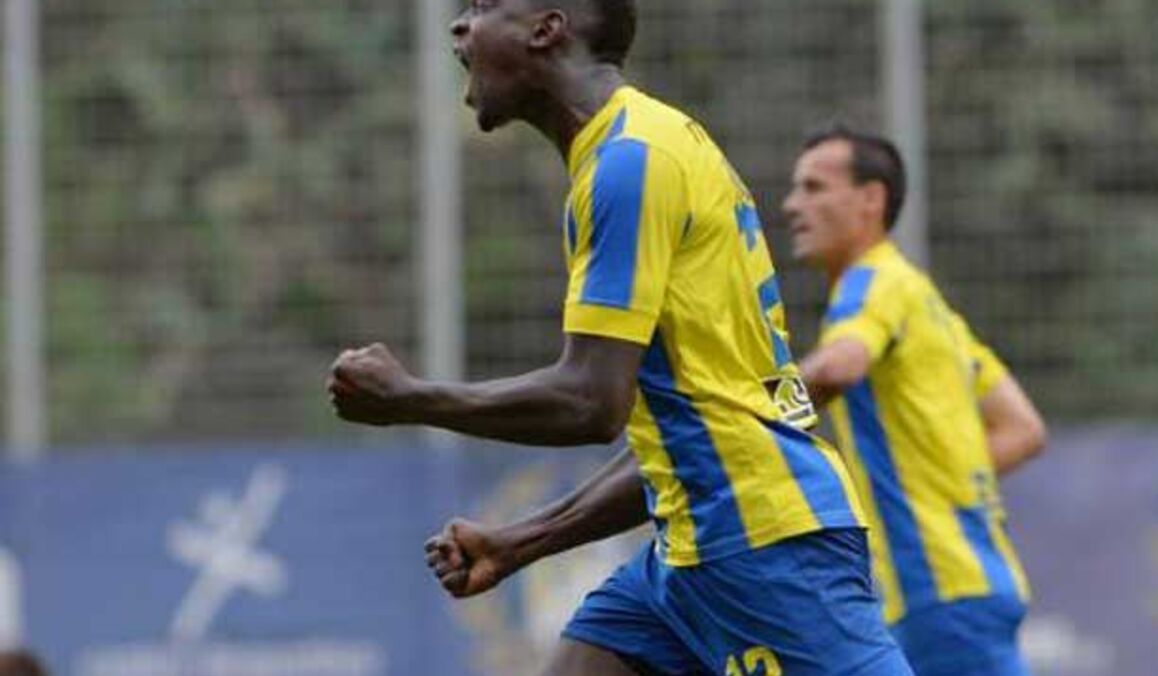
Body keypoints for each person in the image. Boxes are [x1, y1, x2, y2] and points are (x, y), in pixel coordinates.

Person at [328, 1, 912, 674]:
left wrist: (411, 398)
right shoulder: (643, 143)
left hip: (762, 543)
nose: (460, 25)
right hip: (691, 546)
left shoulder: (629, 163)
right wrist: (521, 541)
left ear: (546, 29)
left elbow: (590, 401)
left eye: (483, 5)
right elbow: (686, 431)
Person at [779, 126, 1047, 676]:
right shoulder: (929, 306)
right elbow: (1022, 428)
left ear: (870, 199)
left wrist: (740, 413)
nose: (791, 205)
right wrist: (934, 482)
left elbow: (838, 366)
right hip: (973, 577)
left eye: (813, 187)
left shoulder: (871, 283)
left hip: (934, 590)